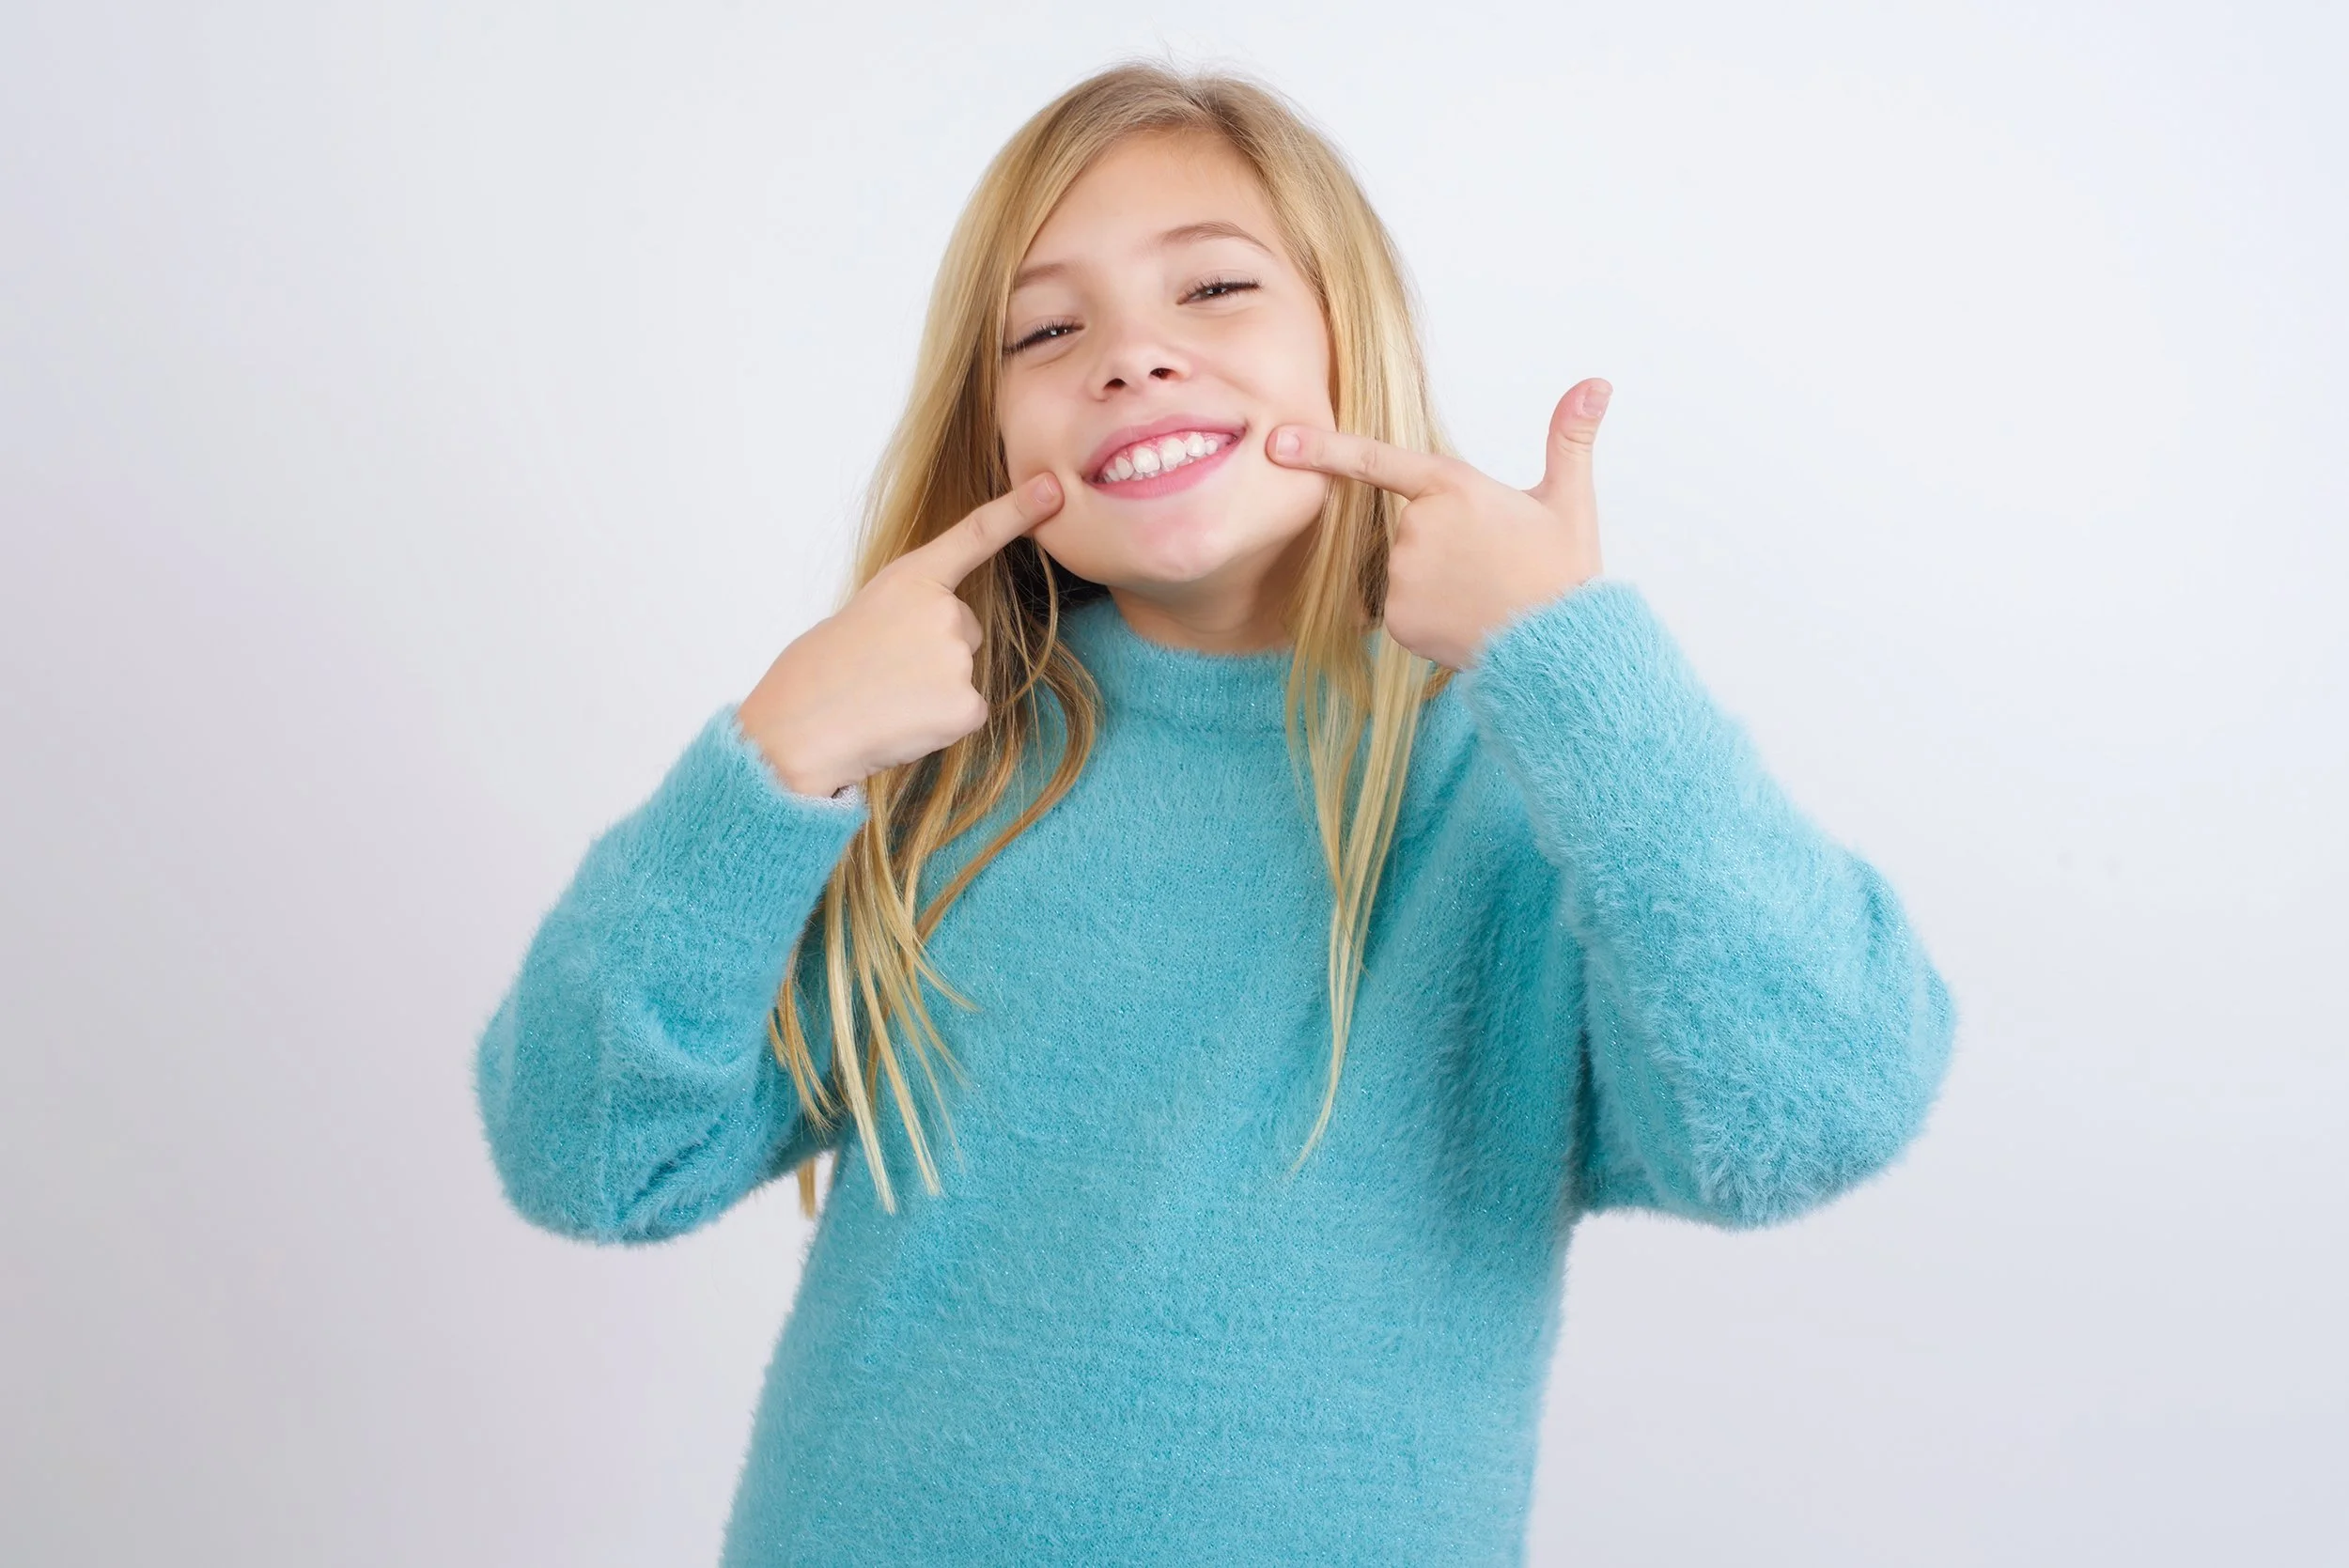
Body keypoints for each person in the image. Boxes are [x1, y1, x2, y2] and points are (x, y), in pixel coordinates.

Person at [473, 58, 1957, 1568]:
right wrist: (772, 758)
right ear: (993, 437)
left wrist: (1568, 660)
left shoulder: (1519, 778)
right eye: (1049, 329)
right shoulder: (936, 770)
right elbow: (589, 1158)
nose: (1131, 359)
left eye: (1215, 291)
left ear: (1344, 342)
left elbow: (1813, 1109)